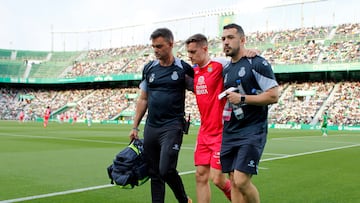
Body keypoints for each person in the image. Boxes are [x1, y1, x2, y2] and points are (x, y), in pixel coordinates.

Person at [185, 33, 259, 203]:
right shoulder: (193, 71)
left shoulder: (220, 64)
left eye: (193, 51)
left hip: (221, 131)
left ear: (205, 49)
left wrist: (248, 52)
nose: (190, 55)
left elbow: (238, 60)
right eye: (188, 52)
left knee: (217, 178)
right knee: (200, 176)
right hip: (204, 132)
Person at [129, 28, 194, 203]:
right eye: (153, 47)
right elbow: (143, 99)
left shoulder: (183, 68)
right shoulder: (149, 68)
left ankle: (183, 200)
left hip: (172, 126)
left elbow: (200, 89)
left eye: (159, 46)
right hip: (151, 127)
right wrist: (135, 126)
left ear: (171, 44)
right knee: (154, 173)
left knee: (166, 170)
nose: (156, 50)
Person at [220, 23, 279, 203]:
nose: (226, 42)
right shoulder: (226, 68)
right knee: (233, 180)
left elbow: (273, 95)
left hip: (252, 130)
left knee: (241, 180)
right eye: (223, 39)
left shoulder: (257, 62)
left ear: (243, 40)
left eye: (230, 38)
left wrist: (243, 98)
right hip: (231, 130)